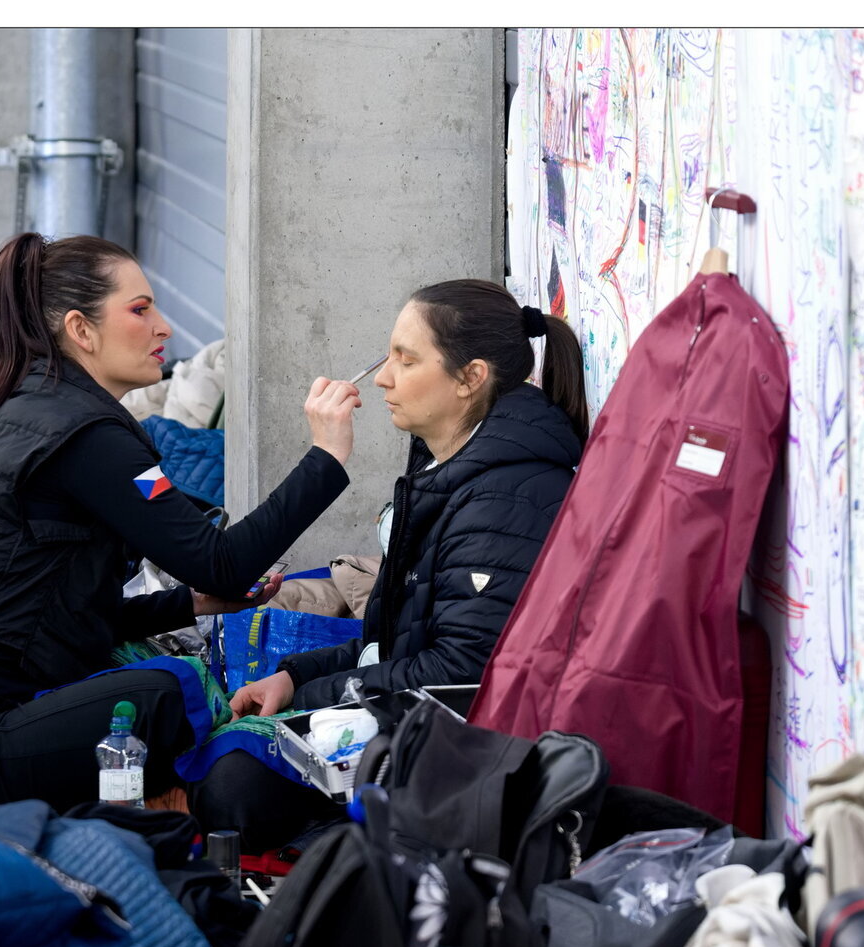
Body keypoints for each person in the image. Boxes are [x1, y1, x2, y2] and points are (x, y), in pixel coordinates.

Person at [0, 232, 363, 823]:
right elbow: (223, 562)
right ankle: (181, 815)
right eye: (140, 310)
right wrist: (327, 455)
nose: (164, 327)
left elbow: (57, 617)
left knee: (128, 664)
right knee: (171, 692)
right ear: (81, 330)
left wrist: (192, 604)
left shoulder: (26, 411)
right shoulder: (86, 434)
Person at [197, 278, 590, 849]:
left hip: (464, 756)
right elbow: (398, 642)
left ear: (470, 378)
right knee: (220, 743)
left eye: (406, 361)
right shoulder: (451, 464)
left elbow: (459, 674)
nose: (383, 378)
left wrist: (312, 699)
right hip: (414, 727)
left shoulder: (505, 497)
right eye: (387, 358)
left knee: (232, 789)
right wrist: (295, 677)